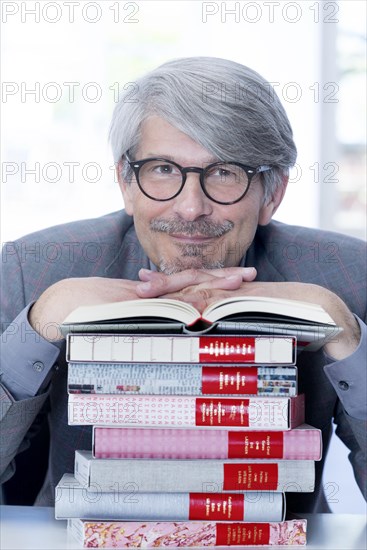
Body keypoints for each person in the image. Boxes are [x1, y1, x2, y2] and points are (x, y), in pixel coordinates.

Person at [1, 57, 366, 512]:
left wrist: (346, 334)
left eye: (225, 172)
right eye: (163, 170)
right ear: (126, 183)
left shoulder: (348, 275)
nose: (191, 208)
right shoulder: (33, 268)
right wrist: (40, 323)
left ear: (271, 194)